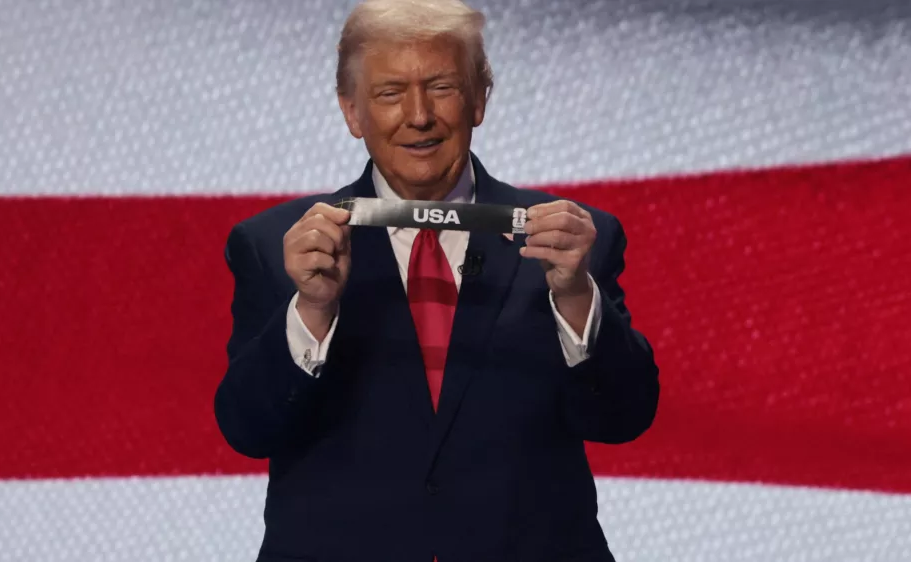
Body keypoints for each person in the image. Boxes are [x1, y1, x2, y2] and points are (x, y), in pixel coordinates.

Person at [213, 1, 659, 560]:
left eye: (442, 86)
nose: (418, 115)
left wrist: (573, 296)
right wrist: (312, 311)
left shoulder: (571, 243)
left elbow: (623, 418)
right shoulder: (278, 245)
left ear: (479, 99)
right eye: (390, 92)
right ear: (352, 112)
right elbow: (248, 430)